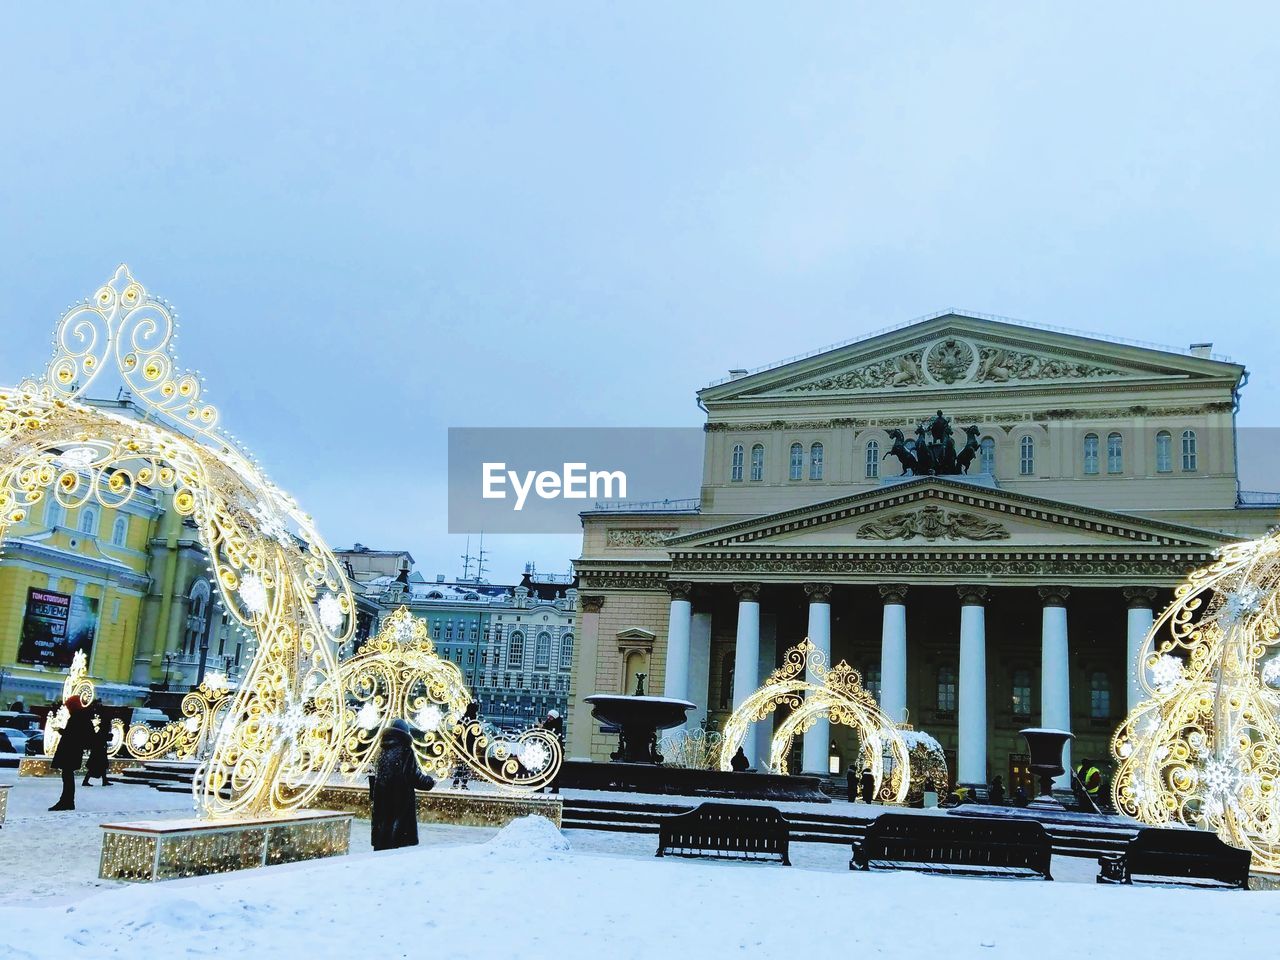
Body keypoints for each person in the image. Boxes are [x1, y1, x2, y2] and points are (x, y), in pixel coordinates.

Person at [370, 719, 436, 851]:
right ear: (405, 734)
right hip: (399, 803)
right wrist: (430, 782)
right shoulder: (405, 751)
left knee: (384, 839)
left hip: (383, 803)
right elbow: (414, 777)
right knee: (398, 843)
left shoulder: (381, 751)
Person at [49, 696, 92, 811]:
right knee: (67, 776)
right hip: (73, 751)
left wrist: (61, 731)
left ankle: (66, 801)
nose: (68, 709)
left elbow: (72, 735)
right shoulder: (81, 716)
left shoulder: (77, 717)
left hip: (70, 751)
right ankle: (67, 801)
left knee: (67, 777)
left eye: (69, 706)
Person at [82, 708, 112, 787]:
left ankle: (104, 781)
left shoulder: (101, 731)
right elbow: (101, 740)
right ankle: (87, 781)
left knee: (101, 766)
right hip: (99, 751)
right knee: (97, 766)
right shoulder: (102, 731)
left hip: (99, 751)